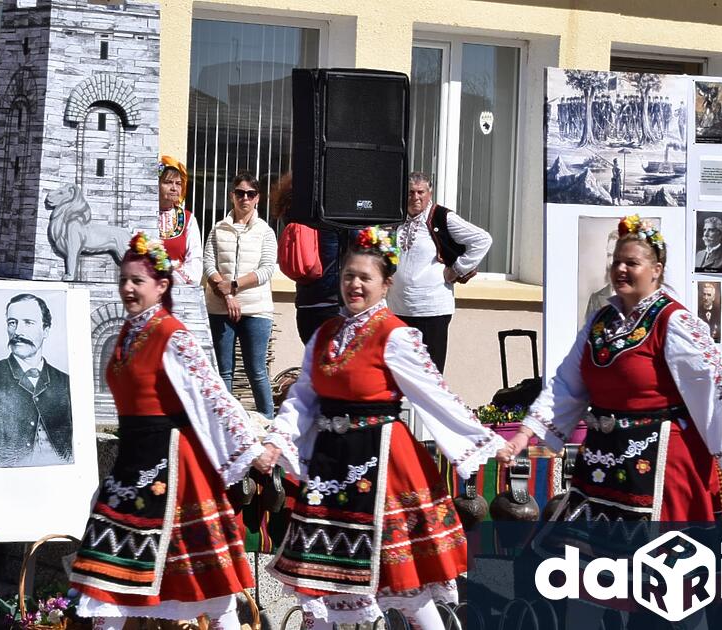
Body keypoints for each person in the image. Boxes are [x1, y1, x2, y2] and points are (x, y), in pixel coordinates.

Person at [263, 226, 507, 630]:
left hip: (382, 466)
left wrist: (488, 441)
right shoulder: (326, 333)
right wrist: (277, 439)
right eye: (348, 276)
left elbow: (435, 393)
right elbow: (304, 395)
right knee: (321, 580)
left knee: (403, 584)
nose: (354, 285)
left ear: (385, 284)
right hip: (331, 465)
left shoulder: (394, 334)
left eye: (365, 278)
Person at [499, 215, 722, 522]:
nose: (621, 269)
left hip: (662, 462)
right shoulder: (600, 322)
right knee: (570, 559)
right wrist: (524, 434)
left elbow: (719, 383)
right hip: (603, 460)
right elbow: (567, 384)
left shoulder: (673, 321)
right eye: (616, 262)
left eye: (632, 263)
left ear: (656, 271)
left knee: (658, 562)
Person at [69, 232, 267, 630]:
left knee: (210, 586)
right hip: (132, 464)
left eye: (137, 281)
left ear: (161, 286)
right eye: (124, 279)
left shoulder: (172, 334)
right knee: (104, 578)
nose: (127, 287)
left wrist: (251, 449)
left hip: (175, 467)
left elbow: (213, 394)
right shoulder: (128, 334)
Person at [389, 172, 492, 374]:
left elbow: (483, 239)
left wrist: (457, 269)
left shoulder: (441, 217)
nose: (415, 197)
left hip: (431, 310)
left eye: (421, 192)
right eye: (410, 192)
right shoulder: (395, 218)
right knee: (400, 373)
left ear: (430, 193)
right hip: (397, 309)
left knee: (430, 375)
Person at [203, 173, 277, 418]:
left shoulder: (265, 231)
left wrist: (232, 285)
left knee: (256, 370)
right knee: (224, 371)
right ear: (232, 195)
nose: (244, 198)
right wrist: (225, 294)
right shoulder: (217, 229)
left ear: (257, 199)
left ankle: (268, 422)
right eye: (240, 193)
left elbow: (266, 269)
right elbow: (209, 264)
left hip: (256, 309)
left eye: (250, 194)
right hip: (220, 307)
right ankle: (226, 423)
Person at [0, 293, 71, 467]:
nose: (17, 331)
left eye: (28, 323)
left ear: (46, 330)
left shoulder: (65, 382)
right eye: (12, 323)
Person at [271, 173, 343, 344]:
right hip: (331, 304)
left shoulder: (291, 215)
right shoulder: (333, 218)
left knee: (312, 364)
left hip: (304, 306)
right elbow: (360, 240)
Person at [157, 156, 201, 285]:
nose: (174, 188)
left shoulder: (188, 219)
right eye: (168, 182)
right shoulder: (142, 215)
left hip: (178, 289)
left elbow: (195, 258)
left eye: (178, 183)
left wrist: (173, 277)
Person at [583, 231, 619, 326]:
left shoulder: (638, 299)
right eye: (609, 255)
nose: (610, 262)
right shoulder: (595, 299)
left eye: (615, 256)